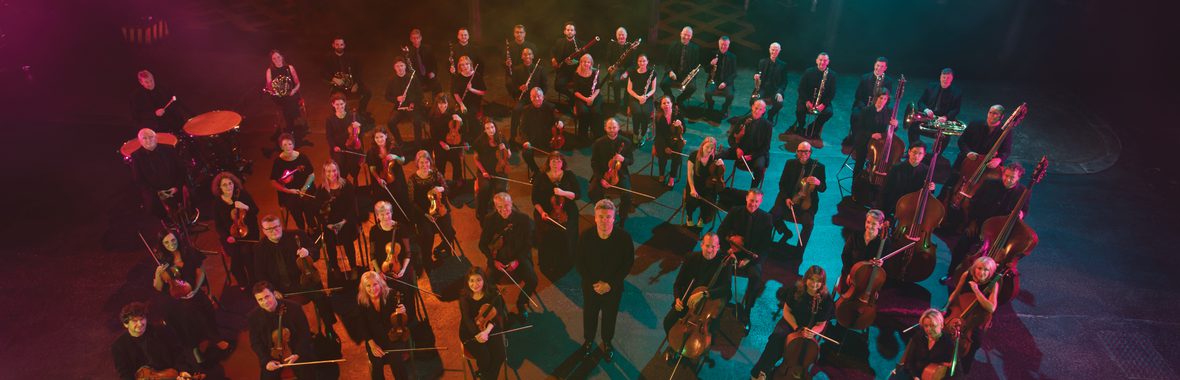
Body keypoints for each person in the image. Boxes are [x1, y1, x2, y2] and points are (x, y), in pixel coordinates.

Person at [943, 162, 1029, 283]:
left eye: (1012, 177)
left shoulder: (1023, 192)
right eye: (1006, 175)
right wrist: (972, 222)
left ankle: (987, 281)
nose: (1008, 180)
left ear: (1018, 178)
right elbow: (974, 203)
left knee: (999, 257)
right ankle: (951, 273)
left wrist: (1021, 214)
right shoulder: (990, 183)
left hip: (1001, 232)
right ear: (1003, 173)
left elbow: (1024, 210)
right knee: (961, 245)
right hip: (980, 224)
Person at [152, 231, 230, 360]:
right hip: (173, 295)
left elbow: (201, 273)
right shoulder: (163, 261)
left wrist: (194, 290)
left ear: (178, 239)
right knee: (183, 310)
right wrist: (157, 274)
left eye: (173, 240)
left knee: (194, 306)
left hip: (193, 289)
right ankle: (194, 345)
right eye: (166, 242)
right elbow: (159, 288)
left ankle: (211, 338)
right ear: (162, 244)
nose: (171, 244)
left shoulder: (190, 253)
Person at [749, 265, 834, 380]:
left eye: (818, 281)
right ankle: (761, 371)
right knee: (776, 339)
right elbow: (787, 311)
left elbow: (821, 323)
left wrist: (813, 332)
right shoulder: (796, 289)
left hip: (809, 329)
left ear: (823, 283)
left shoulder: (826, 299)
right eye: (812, 279)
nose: (814, 284)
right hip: (791, 322)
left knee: (805, 352)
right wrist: (796, 327)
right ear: (806, 278)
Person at [576, 200, 635, 362]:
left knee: (610, 316)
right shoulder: (586, 237)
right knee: (590, 315)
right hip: (591, 287)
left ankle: (607, 342)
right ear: (595, 218)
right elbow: (580, 263)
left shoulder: (624, 238)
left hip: (613, 288)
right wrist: (594, 284)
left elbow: (627, 263)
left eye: (608, 217)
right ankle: (588, 340)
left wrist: (610, 284)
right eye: (600, 217)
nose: (604, 221)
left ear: (614, 218)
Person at [252, 215, 336, 325]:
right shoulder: (259, 248)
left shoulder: (297, 235)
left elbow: (315, 252)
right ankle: (297, 332)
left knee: (321, 298)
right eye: (269, 229)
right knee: (282, 312)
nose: (274, 231)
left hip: (305, 280)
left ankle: (330, 327)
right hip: (280, 287)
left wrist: (308, 253)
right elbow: (260, 273)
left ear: (280, 225)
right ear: (264, 231)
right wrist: (272, 290)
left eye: (276, 226)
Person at [661, 233, 731, 361]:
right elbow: (678, 283)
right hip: (688, 303)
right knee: (668, 321)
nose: (710, 250)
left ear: (718, 247)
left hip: (709, 306)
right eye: (707, 246)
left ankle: (698, 349)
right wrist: (677, 298)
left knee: (711, 333)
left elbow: (726, 289)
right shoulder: (691, 258)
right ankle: (674, 345)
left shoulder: (724, 264)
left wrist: (705, 293)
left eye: (713, 247)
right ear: (701, 245)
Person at [717, 189, 774, 332]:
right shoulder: (735, 211)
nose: (753, 204)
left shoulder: (766, 218)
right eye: (751, 200)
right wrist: (728, 250)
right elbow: (721, 232)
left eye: (756, 201)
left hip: (752, 257)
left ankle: (747, 310)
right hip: (732, 251)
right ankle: (720, 300)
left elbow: (765, 247)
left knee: (756, 276)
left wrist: (749, 260)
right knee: (719, 269)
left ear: (760, 202)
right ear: (746, 199)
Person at [480, 193, 538, 319]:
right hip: (498, 260)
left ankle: (521, 302)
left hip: (519, 257)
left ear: (511, 204)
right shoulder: (490, 220)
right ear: (495, 207)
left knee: (533, 280)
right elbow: (482, 244)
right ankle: (498, 304)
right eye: (499, 207)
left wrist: (517, 261)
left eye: (506, 205)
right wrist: (493, 261)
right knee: (487, 283)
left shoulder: (523, 219)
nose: (503, 210)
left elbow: (528, 244)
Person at [247, 281, 317, 380]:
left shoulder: (294, 308)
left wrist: (297, 353)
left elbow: (304, 334)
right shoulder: (253, 317)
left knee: (308, 376)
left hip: (295, 350)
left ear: (274, 294)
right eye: (260, 299)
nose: (265, 302)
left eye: (267, 297)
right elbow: (255, 342)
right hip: (271, 356)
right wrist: (266, 361)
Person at [943, 257, 1000, 375]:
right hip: (960, 311)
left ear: (991, 271)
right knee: (944, 334)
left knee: (974, 343)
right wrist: (946, 306)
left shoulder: (994, 283)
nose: (982, 272)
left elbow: (991, 307)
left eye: (986, 270)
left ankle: (963, 373)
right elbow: (956, 292)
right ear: (975, 268)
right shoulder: (966, 275)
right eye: (979, 268)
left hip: (976, 319)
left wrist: (976, 290)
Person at [111, 302, 197, 380]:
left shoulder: (162, 331)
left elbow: (178, 354)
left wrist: (183, 371)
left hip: (170, 375)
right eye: (135, 321)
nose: (140, 324)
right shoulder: (119, 346)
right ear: (126, 324)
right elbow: (125, 374)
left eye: (142, 319)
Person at [770, 141, 826, 255]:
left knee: (809, 223)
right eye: (800, 151)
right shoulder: (790, 163)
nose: (803, 154)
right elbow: (782, 184)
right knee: (772, 215)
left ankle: (799, 250)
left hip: (806, 204)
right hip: (789, 200)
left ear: (810, 153)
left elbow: (823, 188)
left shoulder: (819, 167)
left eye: (806, 152)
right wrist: (786, 198)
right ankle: (786, 232)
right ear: (797, 152)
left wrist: (818, 182)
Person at [356, 271, 414, 380]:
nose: (372, 289)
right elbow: (362, 325)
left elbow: (405, 318)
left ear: (380, 283)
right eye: (368, 285)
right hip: (374, 339)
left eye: (375, 284)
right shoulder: (362, 301)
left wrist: (403, 311)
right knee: (376, 366)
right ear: (364, 287)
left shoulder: (391, 295)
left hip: (394, 336)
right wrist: (372, 344)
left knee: (397, 364)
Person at [944, 104, 1013, 192]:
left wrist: (999, 159)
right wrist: (968, 152)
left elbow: (1006, 151)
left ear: (1001, 116)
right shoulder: (975, 124)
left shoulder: (1005, 132)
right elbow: (961, 141)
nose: (991, 115)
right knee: (951, 182)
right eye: (990, 112)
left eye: (995, 113)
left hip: (985, 167)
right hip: (967, 161)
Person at [531, 152, 580, 272]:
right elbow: (535, 199)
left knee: (567, 231)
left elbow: (577, 195)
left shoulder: (569, 175)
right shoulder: (541, 177)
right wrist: (542, 212)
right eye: (553, 161)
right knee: (545, 233)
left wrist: (563, 193)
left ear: (563, 163)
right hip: (546, 211)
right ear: (548, 163)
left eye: (558, 161)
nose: (556, 163)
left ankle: (567, 259)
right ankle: (547, 260)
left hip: (566, 209)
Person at [409, 150, 459, 267]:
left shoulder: (436, 174)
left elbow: (447, 189)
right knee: (427, 234)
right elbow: (411, 202)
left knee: (448, 230)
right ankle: (427, 258)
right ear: (417, 163)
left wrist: (441, 189)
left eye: (427, 162)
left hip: (440, 208)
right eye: (421, 163)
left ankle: (443, 248)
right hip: (423, 213)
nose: (425, 165)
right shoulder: (412, 179)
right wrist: (425, 215)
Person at [211, 171, 259, 289]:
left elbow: (256, 211)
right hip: (230, 237)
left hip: (249, 233)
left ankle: (254, 282)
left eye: (230, 183)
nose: (228, 187)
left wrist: (245, 207)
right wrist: (227, 236)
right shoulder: (217, 202)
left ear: (234, 184)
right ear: (219, 188)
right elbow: (218, 225)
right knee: (236, 263)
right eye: (225, 185)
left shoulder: (242, 195)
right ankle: (243, 283)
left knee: (247, 254)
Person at [129, 128, 188, 223]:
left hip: (175, 186)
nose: (148, 140)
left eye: (151, 137)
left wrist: (177, 186)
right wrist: (157, 193)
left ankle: (186, 218)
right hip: (155, 193)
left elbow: (181, 169)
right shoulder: (136, 156)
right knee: (154, 205)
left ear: (156, 138)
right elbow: (139, 180)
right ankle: (168, 224)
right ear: (140, 141)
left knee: (187, 195)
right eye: (144, 138)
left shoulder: (169, 149)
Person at [459, 267, 508, 379]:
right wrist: (477, 334)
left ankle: (485, 376)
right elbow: (467, 319)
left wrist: (486, 331)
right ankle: (486, 374)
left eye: (478, 280)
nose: (475, 284)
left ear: (484, 280)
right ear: (467, 282)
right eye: (472, 280)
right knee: (485, 358)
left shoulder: (493, 293)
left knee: (500, 356)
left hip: (490, 327)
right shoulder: (464, 297)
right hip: (469, 330)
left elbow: (497, 314)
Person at [587, 118, 635, 228]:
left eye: (614, 127)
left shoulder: (625, 142)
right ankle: (603, 211)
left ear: (618, 128)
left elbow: (631, 161)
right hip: (603, 173)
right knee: (592, 192)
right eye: (609, 127)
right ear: (605, 128)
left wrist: (623, 159)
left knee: (627, 194)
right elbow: (594, 163)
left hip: (620, 173)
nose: (612, 130)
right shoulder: (598, 143)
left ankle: (622, 216)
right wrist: (601, 179)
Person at [316, 161, 361, 275]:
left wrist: (345, 221)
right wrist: (327, 225)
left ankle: (353, 267)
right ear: (324, 173)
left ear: (338, 171)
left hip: (346, 221)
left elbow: (352, 206)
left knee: (348, 242)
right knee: (330, 244)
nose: (332, 174)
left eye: (334, 170)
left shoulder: (346, 185)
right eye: (329, 171)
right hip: (329, 224)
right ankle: (335, 268)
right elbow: (318, 210)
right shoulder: (321, 190)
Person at [269, 133, 317, 232]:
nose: (288, 147)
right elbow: (273, 181)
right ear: (281, 147)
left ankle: (312, 226)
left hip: (306, 188)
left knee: (308, 203)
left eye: (290, 144)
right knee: (294, 206)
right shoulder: (278, 161)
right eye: (285, 145)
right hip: (289, 192)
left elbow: (311, 175)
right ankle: (301, 229)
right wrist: (288, 190)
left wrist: (305, 187)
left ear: (293, 145)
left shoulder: (302, 157)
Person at [720, 100, 772, 188]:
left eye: (760, 109)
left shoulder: (767, 125)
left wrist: (752, 156)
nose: (757, 111)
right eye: (756, 108)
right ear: (752, 107)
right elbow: (731, 138)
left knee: (759, 167)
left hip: (757, 154)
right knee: (718, 156)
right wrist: (737, 148)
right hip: (740, 151)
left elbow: (766, 147)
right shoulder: (742, 120)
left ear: (763, 111)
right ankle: (719, 182)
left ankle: (753, 190)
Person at [369, 201, 416, 296]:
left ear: (392, 213)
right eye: (382, 214)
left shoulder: (401, 228)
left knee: (404, 288)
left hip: (400, 264)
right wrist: (379, 272)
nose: (386, 217)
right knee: (382, 290)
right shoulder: (374, 231)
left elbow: (407, 253)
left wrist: (403, 269)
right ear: (377, 216)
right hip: (382, 268)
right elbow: (372, 255)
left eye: (388, 213)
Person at [892, 309, 954, 380]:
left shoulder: (947, 341)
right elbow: (909, 361)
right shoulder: (919, 336)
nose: (928, 329)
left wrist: (943, 364)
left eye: (932, 325)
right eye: (926, 326)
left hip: (932, 376)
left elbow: (951, 367)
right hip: (913, 373)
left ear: (941, 325)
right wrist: (915, 376)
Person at [851, 87, 898, 181]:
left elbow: (892, 130)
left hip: (879, 142)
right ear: (876, 98)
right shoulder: (866, 110)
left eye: (885, 99)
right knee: (859, 162)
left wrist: (895, 125)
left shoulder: (889, 111)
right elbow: (858, 128)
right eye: (881, 98)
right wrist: (871, 135)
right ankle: (856, 182)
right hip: (865, 140)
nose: (883, 101)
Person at [367, 126, 411, 224]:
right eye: (376, 138)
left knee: (399, 198)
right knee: (383, 201)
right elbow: (372, 168)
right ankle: (386, 223)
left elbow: (403, 161)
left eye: (381, 137)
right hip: (381, 182)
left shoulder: (393, 147)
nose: (379, 140)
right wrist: (378, 179)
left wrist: (395, 157)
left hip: (396, 179)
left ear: (386, 136)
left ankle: (401, 223)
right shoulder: (371, 152)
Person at [835, 210, 886, 294]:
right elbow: (845, 255)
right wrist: (849, 273)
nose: (869, 226)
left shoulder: (883, 242)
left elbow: (886, 264)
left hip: (868, 279)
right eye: (868, 222)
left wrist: (881, 264)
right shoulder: (855, 236)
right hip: (850, 274)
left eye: (874, 224)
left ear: (880, 225)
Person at [908, 68, 962, 145]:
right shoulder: (931, 86)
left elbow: (956, 109)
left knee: (945, 137)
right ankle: (913, 148)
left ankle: (936, 156)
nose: (945, 80)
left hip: (943, 121)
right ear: (940, 77)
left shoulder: (957, 92)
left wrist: (945, 117)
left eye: (948, 78)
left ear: (952, 79)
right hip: (928, 117)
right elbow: (921, 101)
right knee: (912, 127)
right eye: (944, 77)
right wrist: (926, 109)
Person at [848, 57, 895, 146]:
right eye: (877, 65)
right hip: (864, 106)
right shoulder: (865, 78)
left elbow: (888, 99)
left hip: (879, 107)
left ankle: (874, 141)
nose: (879, 68)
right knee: (855, 115)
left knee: (883, 119)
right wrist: (865, 108)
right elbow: (858, 96)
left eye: (882, 67)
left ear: (885, 68)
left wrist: (879, 108)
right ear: (874, 65)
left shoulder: (888, 81)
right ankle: (856, 139)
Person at [879, 142, 933, 218]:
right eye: (914, 152)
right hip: (894, 205)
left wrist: (931, 188)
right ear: (909, 152)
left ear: (924, 155)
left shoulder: (927, 171)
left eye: (920, 153)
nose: (916, 156)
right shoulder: (896, 168)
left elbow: (927, 194)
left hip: (913, 209)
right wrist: (883, 210)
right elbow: (886, 189)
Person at [791, 52, 836, 141]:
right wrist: (807, 101)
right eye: (820, 60)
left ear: (828, 62)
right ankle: (801, 125)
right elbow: (801, 89)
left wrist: (823, 105)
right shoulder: (809, 72)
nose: (822, 62)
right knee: (800, 109)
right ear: (816, 61)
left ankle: (812, 129)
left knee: (828, 112)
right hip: (807, 99)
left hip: (822, 102)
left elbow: (832, 93)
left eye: (825, 60)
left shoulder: (832, 75)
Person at [519, 88, 563, 178]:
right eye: (534, 97)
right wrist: (525, 141)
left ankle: (551, 169)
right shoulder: (526, 110)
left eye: (539, 96)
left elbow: (556, 119)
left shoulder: (550, 107)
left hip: (548, 140)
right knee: (525, 153)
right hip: (532, 141)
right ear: (530, 98)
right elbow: (522, 129)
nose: (537, 99)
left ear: (543, 97)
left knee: (557, 153)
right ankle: (536, 171)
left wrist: (560, 122)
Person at [472, 119, 511, 218]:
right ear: (484, 130)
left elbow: (508, 155)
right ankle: (482, 211)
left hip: (500, 170)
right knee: (485, 188)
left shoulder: (501, 138)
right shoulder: (479, 141)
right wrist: (483, 171)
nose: (491, 130)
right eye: (487, 128)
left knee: (500, 189)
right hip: (485, 171)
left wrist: (504, 149)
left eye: (492, 127)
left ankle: (499, 211)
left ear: (495, 127)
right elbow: (476, 159)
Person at [427, 93, 467, 187]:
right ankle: (441, 183)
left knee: (456, 163)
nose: (442, 106)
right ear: (437, 104)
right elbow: (434, 136)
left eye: (444, 103)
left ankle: (457, 181)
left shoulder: (452, 114)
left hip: (453, 143)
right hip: (439, 144)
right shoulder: (433, 117)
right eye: (440, 104)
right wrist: (442, 144)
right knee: (440, 165)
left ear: (447, 103)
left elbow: (461, 131)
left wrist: (460, 121)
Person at [510, 48, 549, 143]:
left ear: (533, 56)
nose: (527, 56)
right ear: (521, 56)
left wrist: (540, 95)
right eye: (525, 54)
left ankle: (546, 135)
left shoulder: (540, 69)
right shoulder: (516, 69)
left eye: (529, 54)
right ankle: (512, 137)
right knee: (516, 110)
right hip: (524, 98)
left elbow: (545, 86)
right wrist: (519, 88)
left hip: (537, 98)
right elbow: (512, 86)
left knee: (548, 109)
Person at [323, 37, 371, 115]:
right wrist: (334, 78)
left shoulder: (351, 57)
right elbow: (323, 72)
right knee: (335, 98)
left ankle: (361, 111)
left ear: (344, 45)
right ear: (333, 45)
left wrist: (356, 84)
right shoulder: (329, 58)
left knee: (368, 92)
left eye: (341, 44)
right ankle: (340, 115)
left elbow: (359, 71)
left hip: (352, 84)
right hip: (338, 86)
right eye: (337, 44)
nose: (339, 46)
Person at [384, 57, 426, 147]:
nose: (400, 68)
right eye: (397, 66)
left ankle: (417, 144)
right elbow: (387, 96)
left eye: (401, 65)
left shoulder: (412, 78)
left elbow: (420, 95)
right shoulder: (391, 80)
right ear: (394, 68)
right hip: (399, 108)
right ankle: (400, 142)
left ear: (405, 67)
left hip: (412, 107)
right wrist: (396, 98)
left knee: (417, 121)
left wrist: (413, 103)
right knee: (390, 123)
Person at [684, 137, 725, 227]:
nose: (709, 150)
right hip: (695, 184)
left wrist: (721, 165)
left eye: (712, 148)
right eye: (707, 147)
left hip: (708, 186)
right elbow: (689, 174)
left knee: (709, 202)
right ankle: (689, 216)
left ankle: (702, 217)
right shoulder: (693, 156)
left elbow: (719, 174)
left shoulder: (715, 158)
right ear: (702, 146)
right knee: (692, 202)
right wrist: (692, 189)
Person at [264, 50, 304, 137]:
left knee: (289, 101)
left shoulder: (290, 68)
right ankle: (290, 127)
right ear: (271, 60)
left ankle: (289, 128)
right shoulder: (269, 71)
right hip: (278, 95)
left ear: (282, 57)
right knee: (287, 103)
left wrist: (293, 90)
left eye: (278, 57)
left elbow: (298, 83)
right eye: (274, 58)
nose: (277, 59)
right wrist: (279, 92)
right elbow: (270, 87)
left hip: (291, 93)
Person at [325, 94, 364, 182]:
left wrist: (359, 125)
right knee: (340, 164)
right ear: (333, 104)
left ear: (345, 103)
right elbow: (329, 136)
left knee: (354, 163)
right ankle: (343, 182)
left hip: (352, 146)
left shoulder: (353, 116)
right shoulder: (330, 119)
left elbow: (362, 130)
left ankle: (355, 180)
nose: (340, 106)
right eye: (337, 104)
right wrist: (334, 146)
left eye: (342, 104)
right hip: (339, 147)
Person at [660, 26, 700, 107]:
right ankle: (671, 99)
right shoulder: (673, 45)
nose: (686, 37)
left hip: (687, 75)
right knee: (663, 84)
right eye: (684, 34)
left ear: (691, 36)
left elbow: (696, 66)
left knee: (693, 87)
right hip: (674, 73)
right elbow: (667, 63)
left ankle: (680, 100)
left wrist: (691, 76)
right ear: (680, 34)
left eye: (688, 35)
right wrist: (670, 72)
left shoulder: (695, 48)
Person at [653, 96, 685, 188]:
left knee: (677, 156)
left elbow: (684, 129)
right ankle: (662, 174)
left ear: (671, 104)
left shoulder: (678, 115)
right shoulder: (658, 116)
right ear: (661, 105)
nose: (666, 105)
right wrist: (665, 147)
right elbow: (659, 134)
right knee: (662, 156)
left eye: (668, 103)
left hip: (675, 140)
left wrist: (680, 124)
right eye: (664, 103)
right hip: (662, 140)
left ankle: (672, 176)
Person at [625, 53, 658, 144]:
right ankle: (635, 133)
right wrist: (638, 97)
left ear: (647, 62)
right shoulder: (632, 73)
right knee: (637, 112)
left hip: (647, 97)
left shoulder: (652, 73)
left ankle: (643, 134)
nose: (642, 63)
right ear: (637, 62)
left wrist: (646, 96)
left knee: (646, 113)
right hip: (635, 96)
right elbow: (629, 89)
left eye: (644, 61)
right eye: (640, 61)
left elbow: (653, 89)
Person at [752, 43, 788, 124]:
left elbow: (784, 82)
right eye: (772, 49)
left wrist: (779, 92)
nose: (774, 52)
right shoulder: (762, 62)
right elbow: (757, 73)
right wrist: (756, 76)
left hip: (775, 90)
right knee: (753, 100)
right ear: (769, 49)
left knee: (779, 104)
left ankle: (770, 115)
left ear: (779, 51)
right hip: (762, 88)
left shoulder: (783, 65)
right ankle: (759, 116)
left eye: (776, 50)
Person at [703, 36, 738, 120]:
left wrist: (725, 83)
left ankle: (724, 108)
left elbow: (734, 74)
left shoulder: (732, 57)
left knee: (730, 95)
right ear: (718, 44)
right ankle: (711, 105)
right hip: (714, 81)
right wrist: (711, 64)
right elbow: (706, 70)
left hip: (726, 82)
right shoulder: (713, 54)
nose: (723, 47)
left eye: (725, 45)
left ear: (728, 45)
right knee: (707, 93)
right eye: (722, 44)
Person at [571, 54, 603, 140]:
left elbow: (598, 89)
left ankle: (597, 134)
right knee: (583, 112)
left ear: (591, 64)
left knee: (596, 112)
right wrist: (586, 99)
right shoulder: (576, 74)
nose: (586, 64)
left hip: (594, 96)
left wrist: (592, 98)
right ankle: (583, 135)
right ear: (580, 62)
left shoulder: (595, 73)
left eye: (588, 62)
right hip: (581, 97)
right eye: (584, 62)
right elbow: (576, 92)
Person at [452, 55, 487, 131]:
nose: (465, 66)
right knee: (456, 116)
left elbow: (483, 92)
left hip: (474, 102)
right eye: (462, 65)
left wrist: (471, 89)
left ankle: (472, 133)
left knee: (469, 115)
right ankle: (461, 134)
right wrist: (461, 105)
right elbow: (455, 93)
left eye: (467, 64)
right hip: (462, 102)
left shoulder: (476, 76)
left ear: (470, 64)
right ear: (459, 66)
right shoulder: (457, 77)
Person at [603, 27, 635, 108]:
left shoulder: (631, 46)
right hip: (615, 70)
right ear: (616, 36)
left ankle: (625, 103)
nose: (621, 37)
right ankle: (617, 103)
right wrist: (609, 67)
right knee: (616, 81)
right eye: (619, 35)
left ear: (626, 35)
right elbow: (607, 59)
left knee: (630, 82)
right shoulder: (611, 45)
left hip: (626, 70)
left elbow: (633, 64)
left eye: (623, 35)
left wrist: (626, 73)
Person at [505, 24, 539, 100]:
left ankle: (530, 96)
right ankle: (516, 96)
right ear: (514, 34)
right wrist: (507, 63)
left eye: (521, 32)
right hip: (514, 72)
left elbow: (536, 61)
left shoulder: (532, 46)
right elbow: (503, 61)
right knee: (509, 83)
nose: (519, 34)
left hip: (528, 71)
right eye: (517, 32)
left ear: (525, 34)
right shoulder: (509, 46)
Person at [549, 21, 581, 100]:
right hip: (563, 71)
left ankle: (577, 101)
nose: (570, 32)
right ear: (564, 31)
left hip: (576, 71)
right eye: (568, 30)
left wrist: (575, 62)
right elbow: (552, 51)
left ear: (575, 32)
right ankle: (572, 97)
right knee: (557, 86)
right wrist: (553, 59)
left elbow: (584, 59)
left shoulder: (580, 43)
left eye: (571, 30)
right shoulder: (559, 41)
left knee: (581, 86)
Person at [405, 29, 440, 94]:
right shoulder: (408, 52)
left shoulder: (428, 48)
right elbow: (407, 68)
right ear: (411, 39)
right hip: (416, 77)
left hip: (428, 75)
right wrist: (412, 77)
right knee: (411, 88)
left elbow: (434, 64)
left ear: (421, 38)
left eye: (417, 38)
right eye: (414, 38)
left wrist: (433, 73)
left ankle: (438, 103)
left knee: (437, 84)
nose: (416, 40)